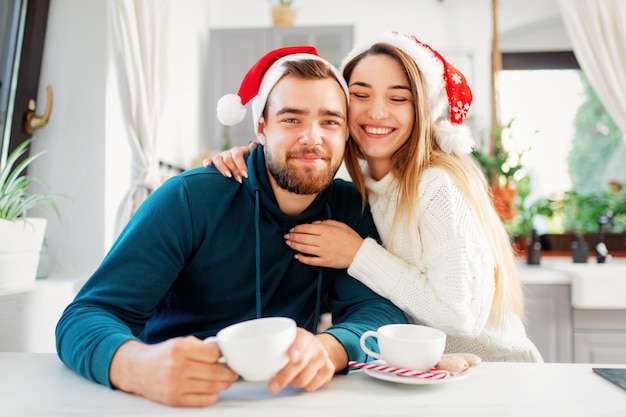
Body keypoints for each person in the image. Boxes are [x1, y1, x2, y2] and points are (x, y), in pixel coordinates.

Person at [55, 45, 408, 408]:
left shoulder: (350, 207)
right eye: (291, 119)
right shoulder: (189, 199)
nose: (312, 138)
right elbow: (85, 316)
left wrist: (330, 348)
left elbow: (380, 313)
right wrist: (136, 366)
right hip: (171, 400)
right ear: (261, 126)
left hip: (284, 400)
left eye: (330, 121)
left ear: (345, 132)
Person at [205, 32, 543, 363]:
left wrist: (357, 254)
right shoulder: (364, 186)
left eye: (398, 98)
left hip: (498, 377)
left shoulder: (436, 184)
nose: (377, 113)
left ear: (420, 111)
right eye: (361, 95)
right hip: (434, 376)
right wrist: (254, 156)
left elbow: (460, 317)